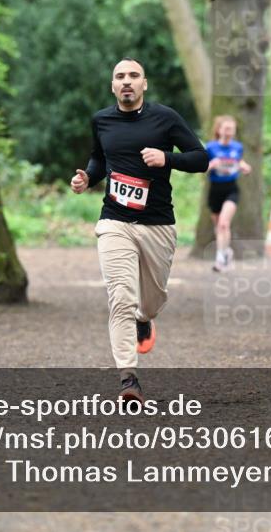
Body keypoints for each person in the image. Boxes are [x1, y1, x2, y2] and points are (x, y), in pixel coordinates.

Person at [70, 58, 208, 404]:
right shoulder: (102, 120)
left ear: (144, 84)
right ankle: (128, 379)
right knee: (120, 298)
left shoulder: (165, 118)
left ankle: (144, 319)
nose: (127, 82)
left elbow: (201, 158)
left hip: (158, 224)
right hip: (115, 221)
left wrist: (167, 158)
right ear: (112, 86)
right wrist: (88, 177)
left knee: (152, 299)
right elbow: (99, 160)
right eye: (120, 76)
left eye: (133, 76)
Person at [205, 115, 252, 272]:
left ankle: (220, 259)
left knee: (224, 223)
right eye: (226, 128)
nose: (229, 132)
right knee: (218, 226)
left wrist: (245, 167)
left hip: (231, 189)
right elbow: (202, 168)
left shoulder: (237, 147)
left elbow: (239, 162)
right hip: (215, 189)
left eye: (232, 129)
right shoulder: (211, 147)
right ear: (219, 130)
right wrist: (211, 165)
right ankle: (226, 251)